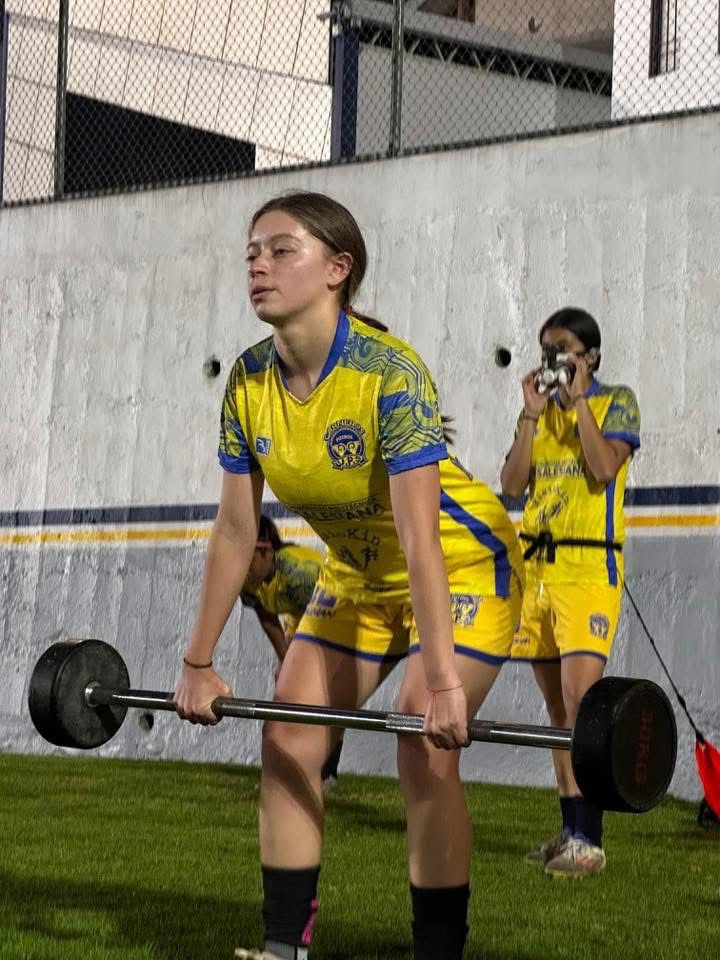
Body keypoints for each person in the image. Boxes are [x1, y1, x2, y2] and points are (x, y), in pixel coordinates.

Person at [174, 191, 524, 960]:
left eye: (281, 250)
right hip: (359, 578)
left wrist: (441, 683)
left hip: (462, 564)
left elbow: (419, 538)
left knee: (422, 745)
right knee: (289, 736)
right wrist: (198, 663)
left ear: (338, 270)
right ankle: (284, 948)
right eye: (251, 253)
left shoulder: (389, 374)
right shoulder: (248, 383)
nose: (258, 265)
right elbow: (237, 530)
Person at [501, 307, 640, 879]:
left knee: (583, 702)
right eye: (546, 351)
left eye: (563, 351)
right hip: (537, 573)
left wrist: (580, 401)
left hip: (588, 569)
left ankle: (591, 838)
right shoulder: (538, 412)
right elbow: (511, 485)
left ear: (591, 357)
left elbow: (604, 468)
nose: (552, 362)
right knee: (557, 709)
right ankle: (570, 830)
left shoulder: (617, 402)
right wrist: (531, 418)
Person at [241, 515, 342, 787]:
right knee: (287, 692)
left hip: (337, 617)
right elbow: (267, 617)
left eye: (247, 559)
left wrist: (299, 664)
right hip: (300, 618)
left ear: (266, 550)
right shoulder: (245, 577)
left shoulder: (301, 572)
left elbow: (323, 622)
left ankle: (325, 773)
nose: (241, 568)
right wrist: (285, 658)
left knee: (325, 696)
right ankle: (285, 772)